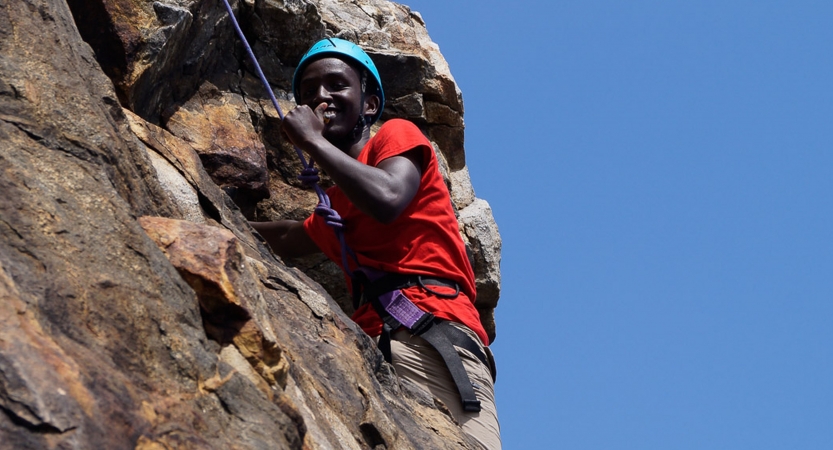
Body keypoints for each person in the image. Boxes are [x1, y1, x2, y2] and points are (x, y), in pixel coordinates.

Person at [251, 38, 500, 449]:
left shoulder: (397, 136)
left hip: (433, 335)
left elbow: (388, 198)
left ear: (369, 105)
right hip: (371, 356)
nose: (321, 97)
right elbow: (290, 236)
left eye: (336, 85)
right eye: (310, 92)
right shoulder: (337, 206)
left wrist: (312, 143)